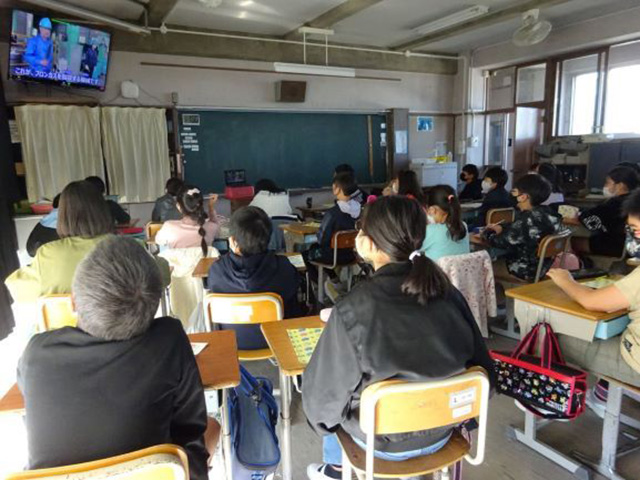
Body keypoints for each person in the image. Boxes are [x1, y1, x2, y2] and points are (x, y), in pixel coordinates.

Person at [302, 196, 494, 480]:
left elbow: (322, 402)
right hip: (444, 430)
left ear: (369, 243)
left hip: (379, 444)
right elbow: (484, 373)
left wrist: (325, 425)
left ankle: (334, 470)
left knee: (333, 403)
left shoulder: (352, 308)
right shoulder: (447, 292)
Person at [17, 236, 209, 479]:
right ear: (154, 306)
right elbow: (190, 430)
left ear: (73, 301)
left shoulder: (36, 354)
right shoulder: (169, 338)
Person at [545, 189, 640, 390]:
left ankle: (544, 398)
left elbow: (592, 302)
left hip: (635, 362)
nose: (632, 236)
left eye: (635, 230)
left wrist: (566, 280)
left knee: (546, 335)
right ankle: (605, 389)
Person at [207, 207, 302, 349]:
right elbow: (294, 288)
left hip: (231, 342)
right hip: (278, 342)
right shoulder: (283, 267)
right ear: (269, 237)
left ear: (232, 241)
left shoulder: (216, 270)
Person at [5, 181, 114, 303]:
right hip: (114, 321)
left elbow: (14, 288)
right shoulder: (124, 248)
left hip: (65, 321)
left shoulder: (48, 254)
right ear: (103, 210)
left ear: (62, 215)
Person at [474, 174, 563, 281]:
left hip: (523, 270)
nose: (511, 194)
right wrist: (502, 228)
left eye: (514, 191)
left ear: (523, 197)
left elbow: (499, 241)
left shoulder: (527, 220)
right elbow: (518, 230)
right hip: (543, 268)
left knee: (480, 267)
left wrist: (486, 233)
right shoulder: (550, 214)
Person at [303, 172, 360, 286]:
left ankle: (320, 285)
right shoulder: (359, 209)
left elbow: (322, 240)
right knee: (316, 248)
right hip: (352, 255)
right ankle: (334, 281)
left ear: (337, 189)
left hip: (333, 256)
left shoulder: (332, 214)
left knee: (305, 254)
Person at [569, 166, 639, 257]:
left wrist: (579, 216)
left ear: (620, 185)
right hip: (627, 245)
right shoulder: (635, 200)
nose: (605, 186)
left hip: (616, 245)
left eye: (608, 183)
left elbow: (590, 220)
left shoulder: (614, 203)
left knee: (572, 242)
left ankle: (578, 265)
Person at [155, 185, 220, 255]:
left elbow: (158, 240)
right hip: (206, 266)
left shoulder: (169, 227)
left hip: (179, 266)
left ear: (179, 206)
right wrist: (211, 207)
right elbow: (215, 224)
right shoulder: (211, 228)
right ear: (200, 205)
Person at [421, 185, 470, 261]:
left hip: (436, 272)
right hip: (461, 272)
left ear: (432, 210)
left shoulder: (430, 230)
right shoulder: (463, 226)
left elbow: (410, 250)